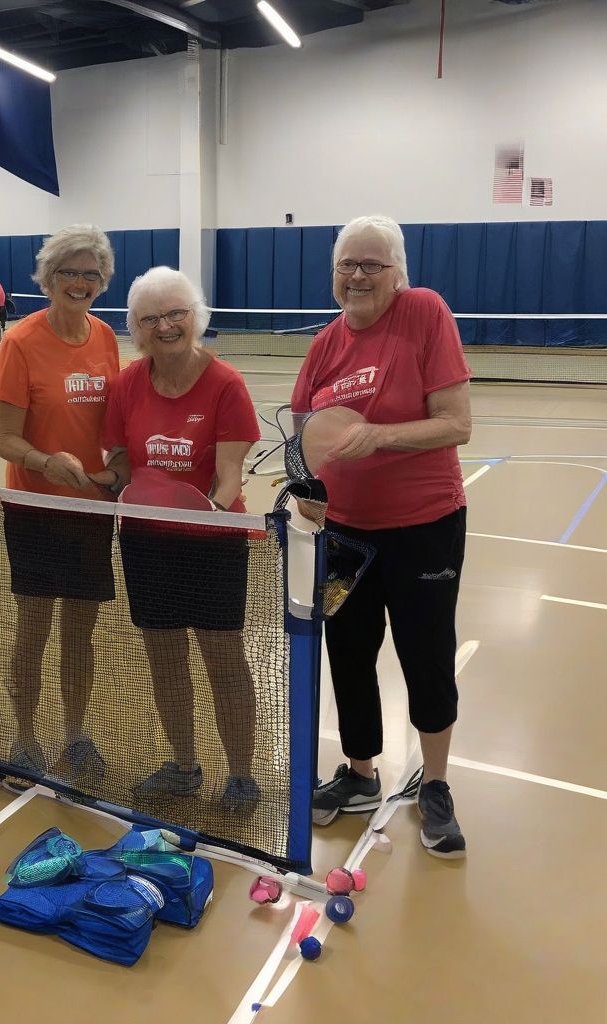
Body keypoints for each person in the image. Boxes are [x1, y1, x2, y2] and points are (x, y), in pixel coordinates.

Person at [290, 214, 472, 859]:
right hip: (345, 535)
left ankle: (437, 786)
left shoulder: (424, 314)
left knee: (426, 653)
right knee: (349, 650)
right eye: (347, 265)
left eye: (372, 265)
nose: (358, 276)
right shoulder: (325, 344)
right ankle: (361, 773)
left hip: (424, 526)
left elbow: (456, 424)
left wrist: (383, 436)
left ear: (397, 273)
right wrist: (307, 490)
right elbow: (303, 435)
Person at [101, 266, 262, 815]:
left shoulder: (226, 384)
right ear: (137, 327)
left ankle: (240, 773)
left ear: (195, 317)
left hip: (212, 542)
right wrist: (91, 481)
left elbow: (230, 475)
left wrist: (209, 511)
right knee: (165, 657)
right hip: (147, 544)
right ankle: (185, 766)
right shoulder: (126, 384)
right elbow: (121, 463)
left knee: (224, 659)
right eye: (152, 318)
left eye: (176, 314)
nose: (165, 326)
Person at [0, 224, 119, 783]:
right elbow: (5, 440)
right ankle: (24, 736)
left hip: (91, 511)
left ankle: (74, 733)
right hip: (37, 511)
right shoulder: (20, 341)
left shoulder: (107, 338)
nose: (81, 283)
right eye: (70, 272)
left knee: (80, 632)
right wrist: (46, 462)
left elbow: (115, 424)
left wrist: (118, 469)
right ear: (49, 277)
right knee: (34, 628)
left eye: (92, 274)